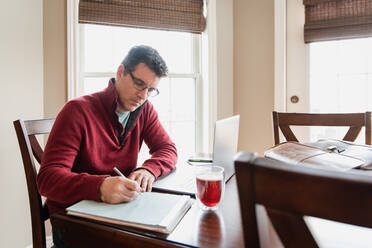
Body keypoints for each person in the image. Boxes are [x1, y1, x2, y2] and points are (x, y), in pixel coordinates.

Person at [37, 45, 178, 217]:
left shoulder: (145, 110)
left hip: (118, 211)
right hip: (73, 219)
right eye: (139, 84)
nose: (143, 96)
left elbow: (168, 149)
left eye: (150, 90)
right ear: (120, 72)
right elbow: (48, 179)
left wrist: (149, 170)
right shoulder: (77, 110)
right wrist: (100, 187)